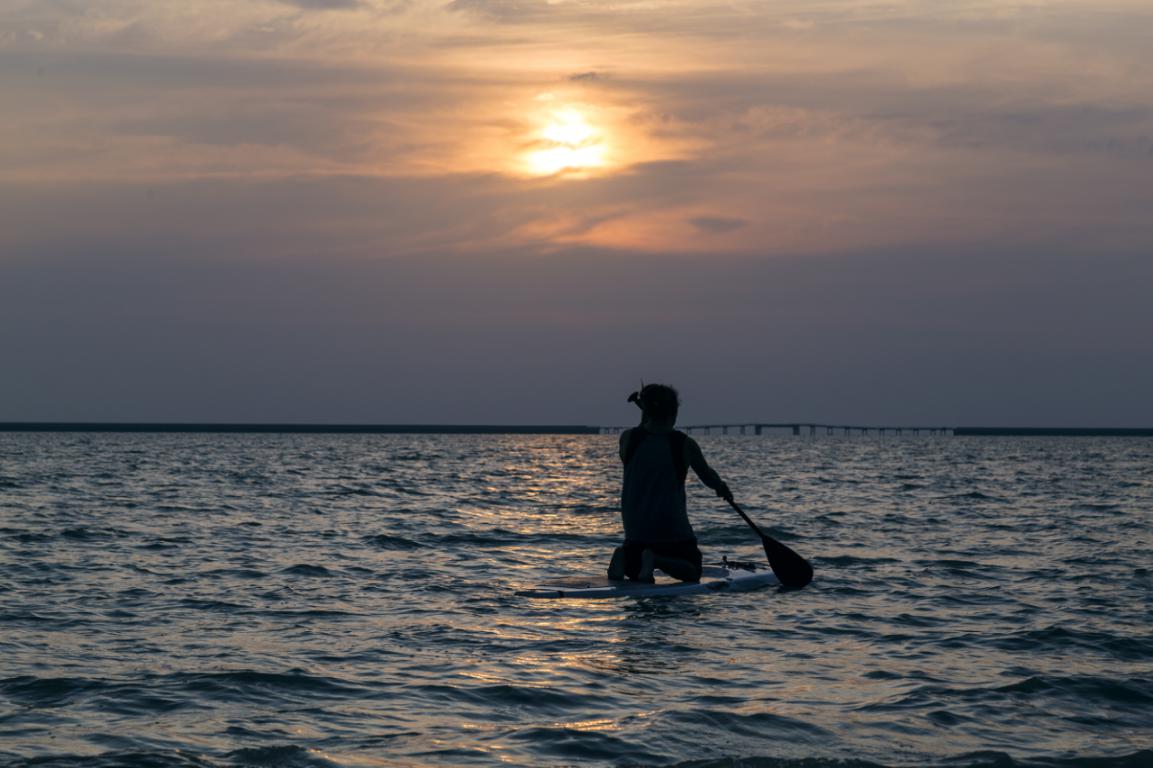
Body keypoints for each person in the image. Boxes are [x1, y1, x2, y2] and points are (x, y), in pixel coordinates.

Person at [607, 384, 733, 583]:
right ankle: (656, 559)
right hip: (672, 533)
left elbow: (642, 433)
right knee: (693, 572)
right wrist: (722, 488)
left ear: (646, 411)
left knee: (636, 566)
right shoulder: (684, 444)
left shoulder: (628, 439)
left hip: (636, 535)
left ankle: (624, 557)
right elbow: (707, 475)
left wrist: (646, 414)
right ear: (674, 413)